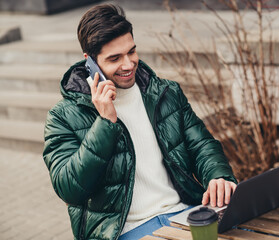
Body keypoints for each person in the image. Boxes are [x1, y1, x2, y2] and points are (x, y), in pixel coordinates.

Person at [43, 3, 237, 240]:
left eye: (131, 52)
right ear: (90, 62)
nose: (128, 64)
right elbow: (69, 188)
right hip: (125, 231)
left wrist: (218, 175)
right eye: (115, 58)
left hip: (184, 214)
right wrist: (105, 123)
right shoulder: (62, 116)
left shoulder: (166, 93)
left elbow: (202, 145)